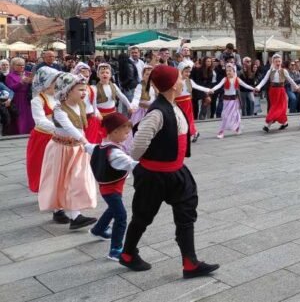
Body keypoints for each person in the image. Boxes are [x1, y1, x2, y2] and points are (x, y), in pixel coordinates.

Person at [120, 64, 219, 278]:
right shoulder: (157, 113)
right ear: (174, 84)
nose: (183, 80)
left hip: (176, 173)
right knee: (142, 216)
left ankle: (190, 263)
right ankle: (127, 254)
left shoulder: (173, 105)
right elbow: (137, 147)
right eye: (180, 78)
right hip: (154, 177)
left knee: (186, 214)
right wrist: (147, 164)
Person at [38, 73, 98, 229]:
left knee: (76, 180)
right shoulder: (59, 110)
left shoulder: (81, 105)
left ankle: (75, 215)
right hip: (61, 149)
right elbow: (70, 128)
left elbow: (81, 127)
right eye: (80, 89)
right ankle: (60, 210)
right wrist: (86, 143)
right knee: (59, 180)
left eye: (85, 89)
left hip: (76, 149)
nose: (84, 92)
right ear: (67, 90)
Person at [88, 112, 138, 261]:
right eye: (126, 133)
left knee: (112, 209)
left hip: (110, 188)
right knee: (121, 216)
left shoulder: (101, 146)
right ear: (115, 131)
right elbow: (131, 163)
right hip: (111, 190)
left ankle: (98, 229)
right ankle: (115, 250)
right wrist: (151, 166)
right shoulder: (114, 152)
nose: (128, 136)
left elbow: (88, 147)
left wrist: (80, 144)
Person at [26, 67, 61, 194]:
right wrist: (60, 128)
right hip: (42, 138)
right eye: (55, 81)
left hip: (58, 136)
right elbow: (40, 121)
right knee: (42, 165)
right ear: (46, 83)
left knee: (58, 165)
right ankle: (46, 191)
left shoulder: (58, 98)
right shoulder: (37, 100)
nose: (58, 84)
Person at [208, 63, 255, 138]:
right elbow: (218, 85)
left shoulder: (237, 79)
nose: (228, 72)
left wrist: (253, 88)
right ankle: (221, 131)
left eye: (230, 70)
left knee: (236, 115)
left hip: (234, 101)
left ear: (234, 71)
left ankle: (237, 128)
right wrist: (212, 89)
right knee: (225, 116)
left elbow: (245, 85)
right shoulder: (224, 79)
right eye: (227, 71)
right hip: (226, 100)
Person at [255, 54, 300, 132]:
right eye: (276, 61)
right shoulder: (270, 71)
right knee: (275, 107)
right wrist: (258, 87)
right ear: (273, 62)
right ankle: (284, 123)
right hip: (272, 91)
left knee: (277, 108)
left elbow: (290, 79)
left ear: (281, 62)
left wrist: (296, 86)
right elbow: (264, 80)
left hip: (281, 91)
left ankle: (267, 125)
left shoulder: (284, 71)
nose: (278, 63)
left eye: (279, 61)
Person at [93, 63, 133, 143]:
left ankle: (113, 145)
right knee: (103, 134)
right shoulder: (94, 88)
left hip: (113, 114)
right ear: (98, 75)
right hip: (101, 116)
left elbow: (122, 96)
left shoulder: (114, 85)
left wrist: (129, 106)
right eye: (102, 73)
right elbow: (92, 103)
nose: (104, 74)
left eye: (107, 72)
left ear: (110, 75)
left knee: (114, 132)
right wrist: (96, 112)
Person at [177, 60, 210, 142]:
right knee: (179, 119)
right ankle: (192, 133)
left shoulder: (188, 81)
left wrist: (208, 90)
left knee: (188, 119)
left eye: (189, 72)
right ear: (180, 71)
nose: (188, 74)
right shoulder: (176, 81)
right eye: (186, 72)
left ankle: (191, 133)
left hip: (186, 103)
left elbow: (197, 87)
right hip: (177, 103)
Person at [5, 57, 34, 135]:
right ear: (13, 66)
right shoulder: (10, 76)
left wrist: (31, 82)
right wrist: (21, 82)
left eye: (23, 65)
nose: (22, 67)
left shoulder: (28, 73)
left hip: (28, 97)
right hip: (17, 98)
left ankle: (30, 132)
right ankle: (21, 132)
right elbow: (10, 88)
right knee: (20, 117)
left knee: (30, 116)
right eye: (19, 65)